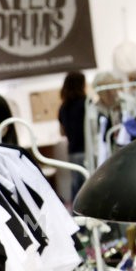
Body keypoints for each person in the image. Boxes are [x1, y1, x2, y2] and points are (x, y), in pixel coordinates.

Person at [57, 71, 87, 201]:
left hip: (72, 151)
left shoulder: (63, 107)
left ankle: (75, 211)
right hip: (86, 149)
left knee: (76, 185)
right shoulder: (86, 104)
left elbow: (62, 132)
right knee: (88, 183)